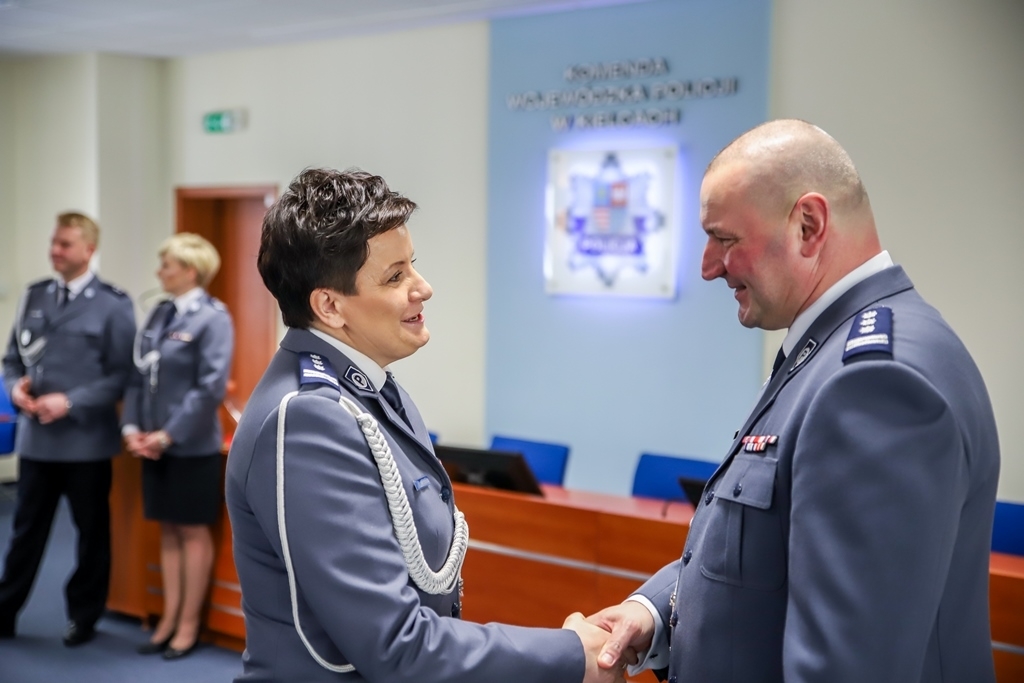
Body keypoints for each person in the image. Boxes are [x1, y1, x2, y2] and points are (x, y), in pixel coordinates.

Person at [588, 119, 1000, 682]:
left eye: (725, 239)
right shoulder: (829, 352)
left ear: (808, 225)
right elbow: (764, 559)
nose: (708, 267)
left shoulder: (874, 382)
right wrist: (656, 613)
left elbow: (846, 669)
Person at [225, 168, 621, 683]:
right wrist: (570, 655)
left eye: (413, 265)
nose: (424, 288)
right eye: (395, 277)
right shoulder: (308, 417)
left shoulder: (369, 389)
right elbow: (395, 646)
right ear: (329, 306)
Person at [0, 212, 137, 646]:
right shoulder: (35, 295)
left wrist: (71, 401)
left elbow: (122, 376)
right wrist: (14, 388)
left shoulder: (113, 304)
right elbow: (12, 360)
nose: (55, 251)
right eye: (53, 243)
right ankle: (5, 610)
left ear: (88, 250)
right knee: (25, 533)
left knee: (91, 536)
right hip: (37, 440)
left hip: (86, 444)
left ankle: (84, 616)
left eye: (65, 244)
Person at [122, 233, 234, 659]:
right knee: (168, 530)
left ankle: (188, 626)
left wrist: (168, 434)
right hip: (153, 444)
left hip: (190, 445)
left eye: (166, 265)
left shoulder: (213, 318)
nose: (159, 272)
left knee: (191, 531)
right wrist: (132, 427)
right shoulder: (160, 312)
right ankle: (168, 620)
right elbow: (139, 374)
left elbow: (210, 388)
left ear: (190, 271)